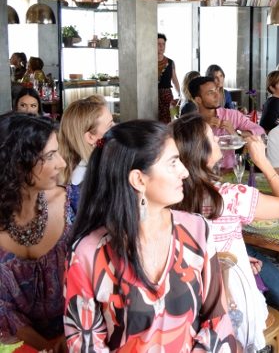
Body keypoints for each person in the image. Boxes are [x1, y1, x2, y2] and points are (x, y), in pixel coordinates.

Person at [64, 120, 237, 351]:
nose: (185, 172)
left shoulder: (197, 230)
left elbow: (217, 319)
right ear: (139, 179)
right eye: (173, 163)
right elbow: (85, 344)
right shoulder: (88, 254)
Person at [170, 114, 279, 350]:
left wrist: (234, 257)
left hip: (189, 304)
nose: (218, 139)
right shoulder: (227, 197)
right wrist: (263, 161)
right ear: (201, 151)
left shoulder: (170, 198)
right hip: (232, 306)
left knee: (254, 257)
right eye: (212, 137)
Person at [0, 113, 72, 352]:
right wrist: (44, 346)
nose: (62, 163)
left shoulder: (75, 206)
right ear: (17, 162)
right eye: (50, 155)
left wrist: (73, 335)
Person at [188, 76, 265, 169]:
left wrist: (235, 133)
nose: (217, 95)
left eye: (217, 90)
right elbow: (187, 152)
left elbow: (260, 132)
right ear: (198, 99)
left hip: (230, 171)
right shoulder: (189, 122)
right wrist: (203, 127)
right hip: (201, 172)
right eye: (210, 92)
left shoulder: (231, 115)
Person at [58, 95, 114, 211]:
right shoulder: (91, 181)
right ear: (90, 137)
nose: (115, 127)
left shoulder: (75, 173)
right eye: (110, 126)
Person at [157, 33, 180, 123]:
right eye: (158, 44)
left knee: (169, 119)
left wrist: (179, 94)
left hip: (166, 95)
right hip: (152, 95)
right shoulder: (149, 62)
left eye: (163, 44)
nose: (161, 46)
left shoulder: (170, 62)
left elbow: (174, 79)